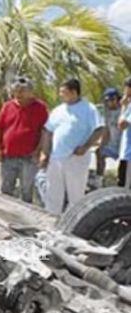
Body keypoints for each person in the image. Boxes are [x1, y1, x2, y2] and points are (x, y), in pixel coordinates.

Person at [40, 79, 105, 215]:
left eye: (64, 92)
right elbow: (47, 131)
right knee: (53, 194)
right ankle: (51, 223)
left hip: (76, 158)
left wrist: (86, 147)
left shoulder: (89, 109)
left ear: (74, 92)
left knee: (76, 195)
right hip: (56, 158)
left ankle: (74, 226)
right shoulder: (58, 110)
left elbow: (99, 129)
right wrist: (45, 153)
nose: (60, 95)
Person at [0, 77, 49, 203]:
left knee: (27, 192)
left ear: (30, 92)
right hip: (8, 157)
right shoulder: (7, 106)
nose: (18, 94)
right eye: (16, 91)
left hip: (29, 157)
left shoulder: (40, 108)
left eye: (22, 91)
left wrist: (39, 150)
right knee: (5, 191)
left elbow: (45, 132)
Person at [93, 87, 123, 187]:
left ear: (117, 99)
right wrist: (102, 144)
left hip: (124, 145)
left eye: (112, 100)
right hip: (113, 144)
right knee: (99, 153)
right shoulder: (107, 111)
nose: (109, 103)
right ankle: (99, 181)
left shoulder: (125, 110)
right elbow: (106, 129)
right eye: (107, 100)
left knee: (124, 169)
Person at [118, 77, 131, 189]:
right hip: (127, 154)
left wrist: (123, 106)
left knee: (125, 189)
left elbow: (122, 125)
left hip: (129, 155)